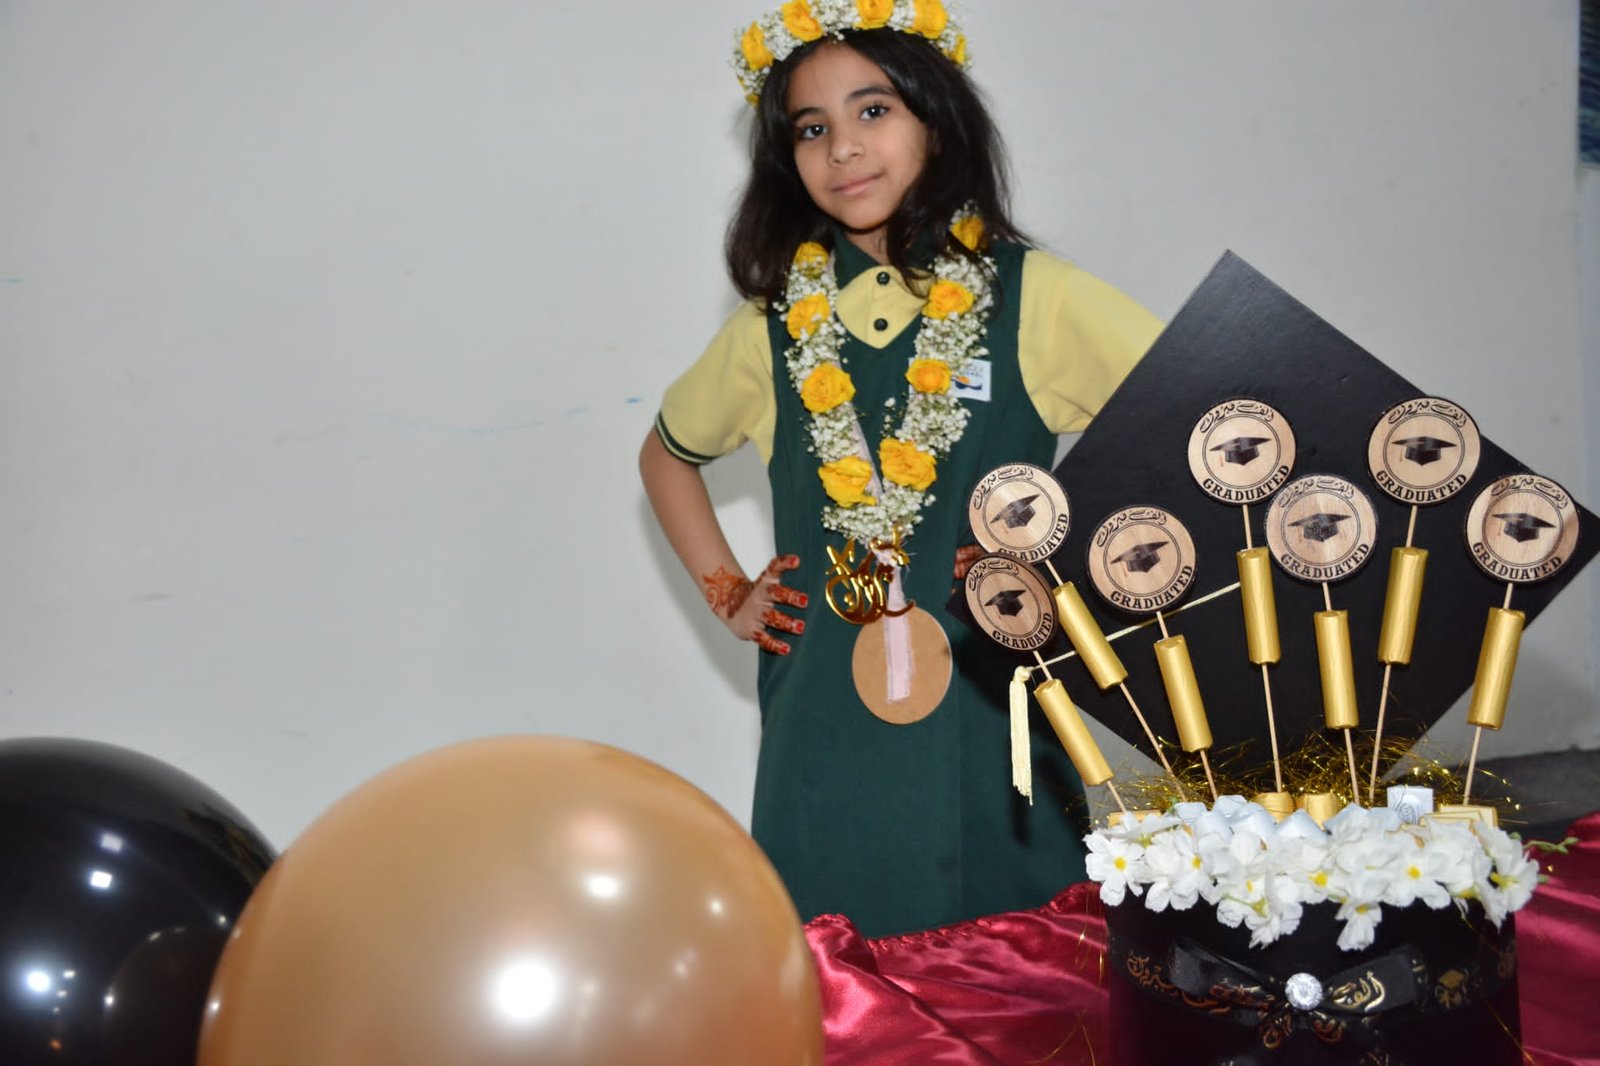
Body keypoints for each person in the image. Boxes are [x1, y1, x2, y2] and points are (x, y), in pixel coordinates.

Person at [640, 2, 1161, 938]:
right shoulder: (772, 327)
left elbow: (1196, 421)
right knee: (833, 958)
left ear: (938, 121)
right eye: (811, 128)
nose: (843, 146)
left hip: (992, 700)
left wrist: (1070, 564)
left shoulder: (1033, 296)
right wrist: (729, 593)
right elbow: (666, 456)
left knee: (1013, 962)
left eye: (873, 110)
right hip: (820, 711)